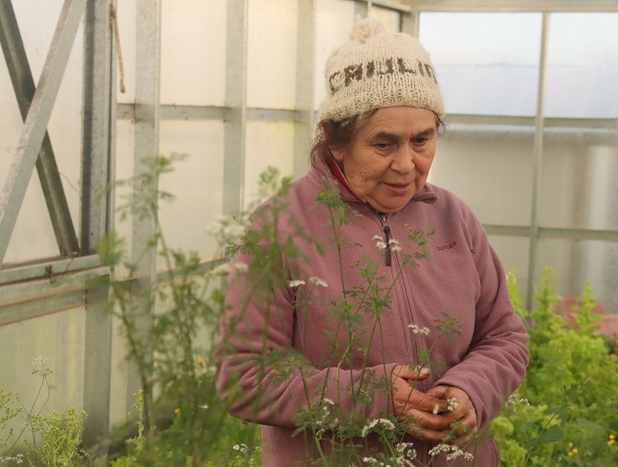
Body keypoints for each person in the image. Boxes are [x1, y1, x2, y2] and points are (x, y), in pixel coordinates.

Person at [215, 17, 529, 466]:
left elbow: (504, 336)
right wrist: (371, 398)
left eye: (422, 140)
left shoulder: (453, 218)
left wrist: (470, 390)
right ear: (335, 141)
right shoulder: (280, 227)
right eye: (384, 144)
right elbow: (244, 376)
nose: (407, 164)